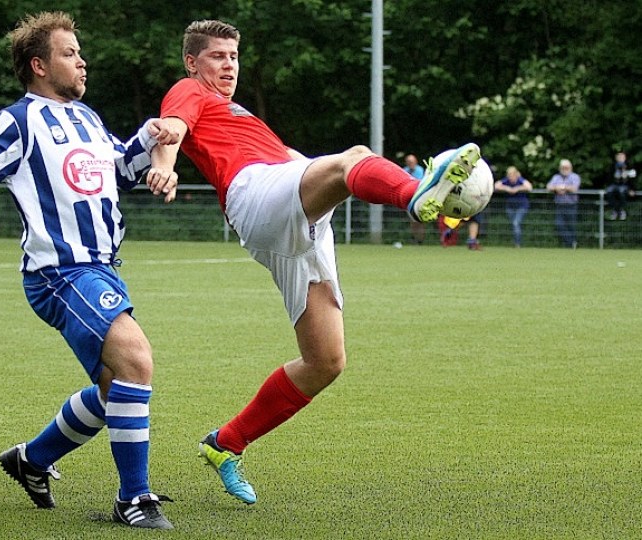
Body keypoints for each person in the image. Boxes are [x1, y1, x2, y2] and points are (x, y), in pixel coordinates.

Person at [150, 19, 482, 505]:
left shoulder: (240, 114)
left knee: (325, 361)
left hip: (291, 207)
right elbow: (171, 130)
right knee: (354, 159)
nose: (228, 66)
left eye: (234, 57)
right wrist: (163, 167)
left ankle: (226, 444)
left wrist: (322, 174)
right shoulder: (188, 92)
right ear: (192, 62)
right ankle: (416, 195)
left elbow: (294, 160)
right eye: (217, 57)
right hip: (255, 193)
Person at [0, 11, 179, 530]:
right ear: (39, 65)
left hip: (104, 268)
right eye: (70, 53)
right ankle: (133, 499)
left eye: (79, 51)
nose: (82, 60)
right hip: (60, 272)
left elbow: (121, 171)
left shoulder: (88, 118)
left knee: (117, 388)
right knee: (136, 358)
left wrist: (150, 139)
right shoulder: (18, 121)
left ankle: (31, 459)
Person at [494, 165, 532, 247]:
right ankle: (515, 241)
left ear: (516, 174)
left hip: (521, 206)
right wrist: (507, 188)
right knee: (514, 224)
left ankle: (517, 244)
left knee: (515, 223)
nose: (511, 177)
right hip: (510, 207)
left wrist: (517, 188)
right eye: (509, 175)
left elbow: (529, 187)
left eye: (512, 175)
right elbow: (496, 186)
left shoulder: (520, 180)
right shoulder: (506, 181)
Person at [546, 159, 580, 248]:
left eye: (566, 167)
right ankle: (570, 243)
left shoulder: (575, 177)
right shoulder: (556, 177)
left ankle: (572, 243)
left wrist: (563, 187)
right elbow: (549, 186)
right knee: (559, 225)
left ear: (570, 168)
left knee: (571, 225)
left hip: (571, 205)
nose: (564, 169)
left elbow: (574, 188)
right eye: (563, 167)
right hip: (559, 205)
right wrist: (556, 189)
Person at [605, 151, 636, 220]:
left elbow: (632, 179)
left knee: (621, 191)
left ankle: (620, 210)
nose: (620, 158)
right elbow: (609, 177)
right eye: (619, 157)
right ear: (616, 158)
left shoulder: (629, 166)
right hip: (614, 184)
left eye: (622, 157)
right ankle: (618, 210)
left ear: (625, 158)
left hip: (624, 185)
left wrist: (632, 189)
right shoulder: (613, 166)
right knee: (608, 191)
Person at [403, 154, 426, 244]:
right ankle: (414, 237)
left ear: (415, 162)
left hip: (418, 198)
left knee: (419, 220)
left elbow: (418, 182)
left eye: (412, 162)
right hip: (408, 199)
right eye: (409, 162)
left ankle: (420, 239)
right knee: (412, 220)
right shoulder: (404, 170)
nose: (410, 164)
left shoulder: (420, 170)